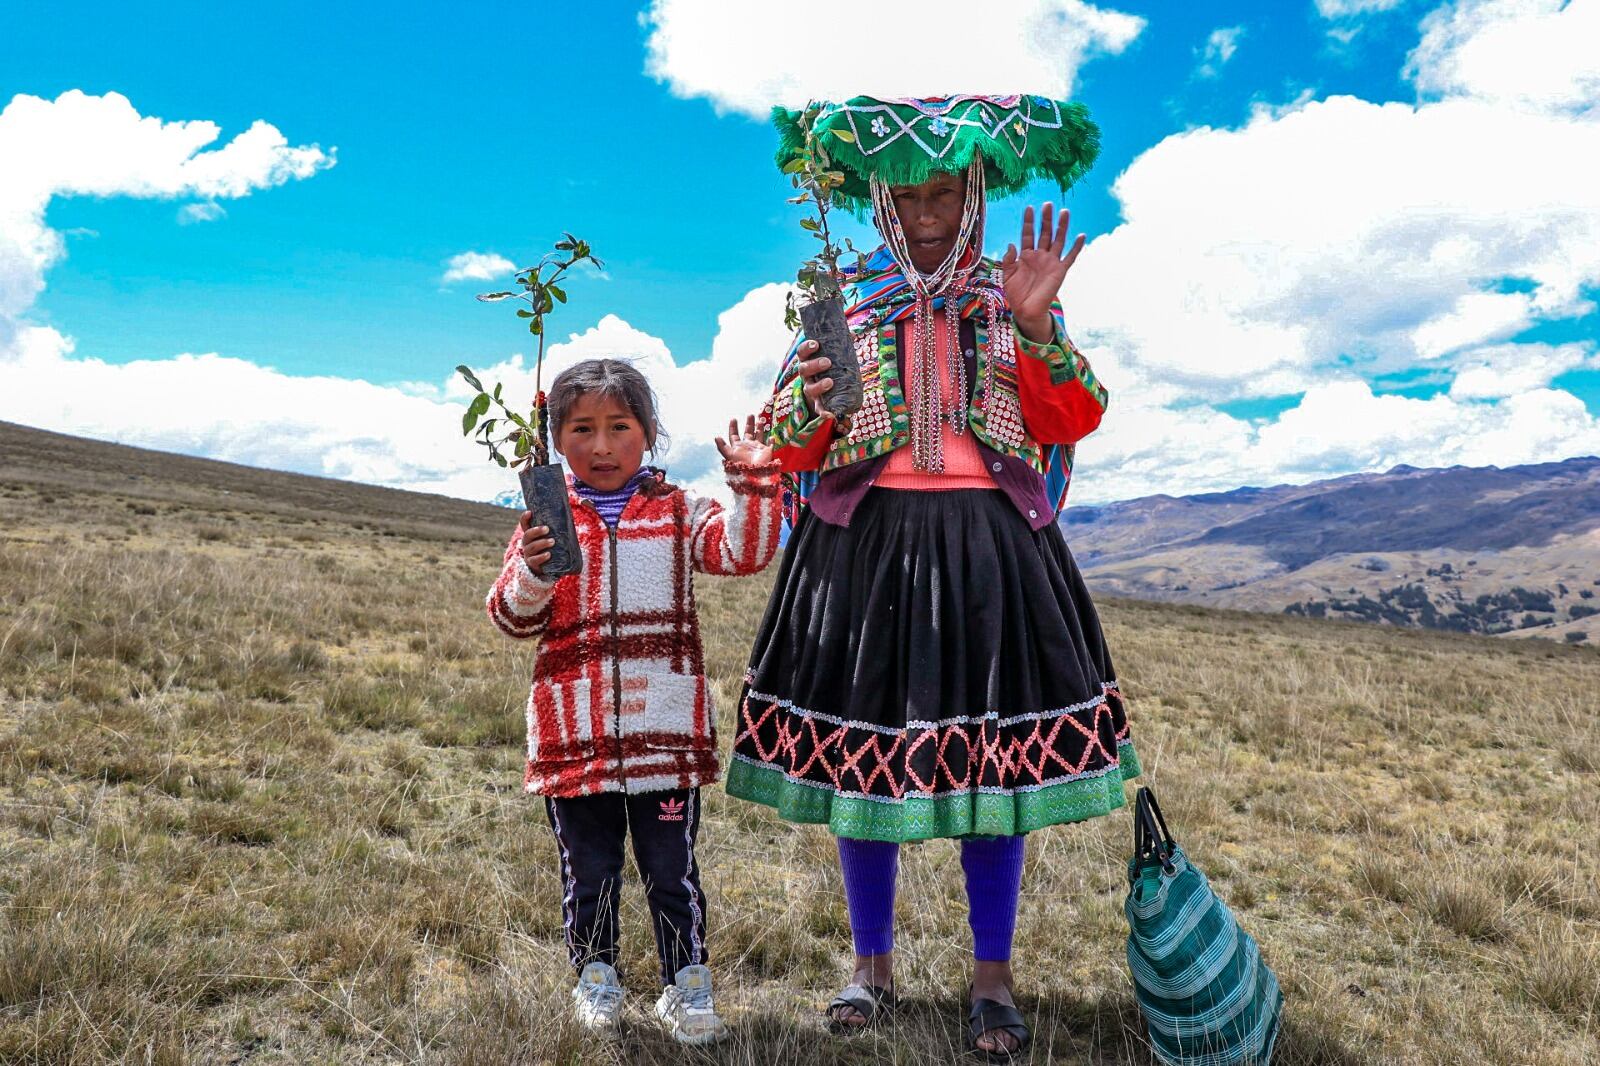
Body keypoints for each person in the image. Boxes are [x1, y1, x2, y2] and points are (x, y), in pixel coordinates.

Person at [728, 95, 1140, 1060]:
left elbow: (1074, 418)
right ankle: (870, 963)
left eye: (945, 192)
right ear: (877, 198)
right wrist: (809, 403)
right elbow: (792, 442)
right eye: (907, 193)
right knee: (862, 758)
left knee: (989, 763)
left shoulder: (1012, 295)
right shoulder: (841, 297)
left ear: (975, 193)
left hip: (990, 549)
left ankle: (991, 976)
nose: (926, 213)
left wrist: (1036, 328)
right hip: (864, 549)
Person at [485, 358, 782, 1045]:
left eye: (619, 426)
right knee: (588, 873)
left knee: (671, 873)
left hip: (664, 734)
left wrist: (756, 484)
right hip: (574, 736)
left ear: (647, 434)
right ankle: (597, 980)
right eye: (582, 428)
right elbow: (510, 618)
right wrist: (532, 568)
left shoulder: (680, 511)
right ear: (557, 440)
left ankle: (687, 988)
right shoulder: (546, 520)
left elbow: (746, 553)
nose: (601, 445)